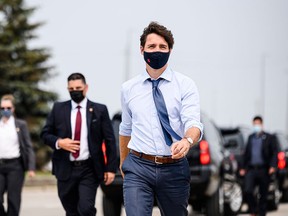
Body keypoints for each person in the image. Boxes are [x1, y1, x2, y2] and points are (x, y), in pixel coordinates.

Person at [119, 22, 203, 216]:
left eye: (162, 47)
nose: (157, 51)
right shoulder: (128, 88)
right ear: (142, 50)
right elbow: (126, 128)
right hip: (138, 167)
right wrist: (124, 163)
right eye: (152, 46)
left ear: (170, 50)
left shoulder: (185, 85)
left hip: (174, 168)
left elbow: (194, 123)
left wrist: (187, 140)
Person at [41, 72, 117, 216]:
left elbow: (110, 140)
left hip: (89, 168)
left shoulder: (99, 110)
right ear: (68, 89)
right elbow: (45, 134)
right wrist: (59, 142)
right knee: (71, 210)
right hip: (65, 168)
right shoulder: (58, 108)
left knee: (86, 208)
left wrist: (110, 169)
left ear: (86, 87)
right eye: (71, 89)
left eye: (78, 87)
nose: (75, 91)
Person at [0, 94, 35, 216]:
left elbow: (28, 146)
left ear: (13, 109)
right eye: (2, 108)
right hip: (0, 165)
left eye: (8, 108)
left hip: (15, 166)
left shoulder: (20, 125)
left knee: (13, 199)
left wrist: (31, 167)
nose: (5, 111)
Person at [239, 116, 278, 216]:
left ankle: (261, 213)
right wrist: (243, 167)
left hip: (264, 170)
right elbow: (246, 153)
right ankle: (254, 210)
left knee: (263, 194)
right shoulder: (251, 137)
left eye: (258, 124)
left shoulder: (269, 137)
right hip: (251, 169)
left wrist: (272, 166)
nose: (256, 126)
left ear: (261, 124)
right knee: (248, 190)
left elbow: (274, 153)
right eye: (255, 124)